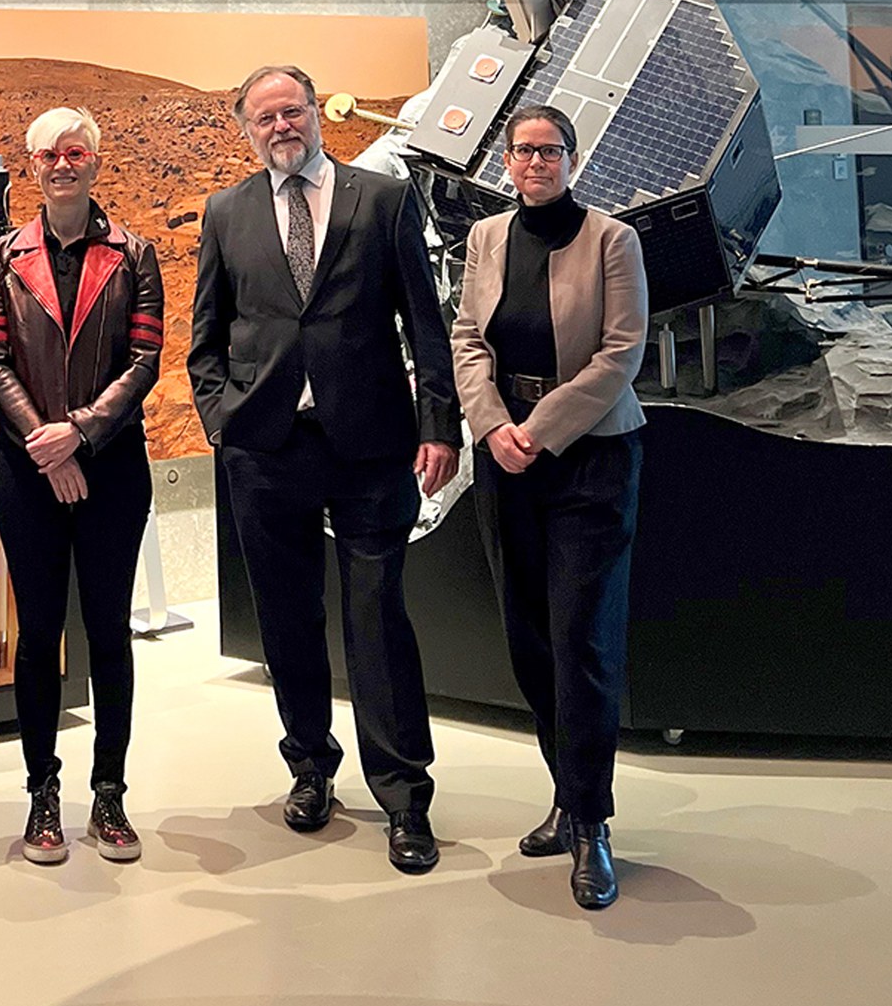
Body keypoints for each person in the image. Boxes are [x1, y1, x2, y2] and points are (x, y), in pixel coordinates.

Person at [187, 64, 461, 875]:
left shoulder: (383, 200)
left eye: (293, 110)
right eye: (265, 116)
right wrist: (222, 422)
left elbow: (425, 321)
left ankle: (405, 796)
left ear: (316, 113)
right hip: (266, 448)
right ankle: (310, 766)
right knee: (287, 620)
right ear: (246, 129)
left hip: (370, 445)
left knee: (378, 620)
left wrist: (439, 423)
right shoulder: (226, 211)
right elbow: (206, 334)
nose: (282, 126)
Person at [449, 104, 647, 910]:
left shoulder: (613, 240)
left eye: (550, 150)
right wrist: (493, 425)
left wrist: (540, 429)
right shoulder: (486, 237)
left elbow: (621, 351)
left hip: (590, 456)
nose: (536, 162)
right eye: (523, 150)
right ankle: (566, 794)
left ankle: (592, 822)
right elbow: (468, 336)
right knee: (529, 635)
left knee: (581, 638)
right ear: (506, 160)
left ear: (572, 157)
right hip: (506, 458)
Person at [0, 107, 163, 864]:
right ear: (31, 166)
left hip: (113, 468)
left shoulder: (136, 255)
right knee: (38, 635)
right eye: (48, 154)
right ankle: (42, 795)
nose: (62, 164)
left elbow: (144, 361)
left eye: (75, 151)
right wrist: (47, 447)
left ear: (95, 161)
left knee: (110, 631)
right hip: (27, 473)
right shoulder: (2, 257)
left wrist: (79, 433)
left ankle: (110, 794)